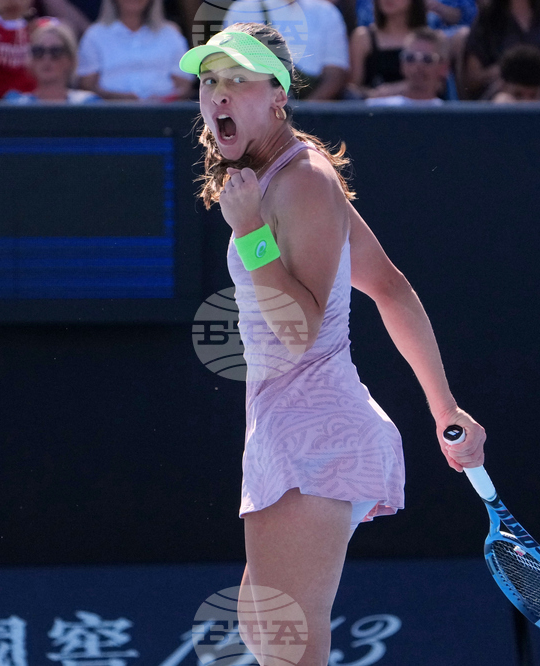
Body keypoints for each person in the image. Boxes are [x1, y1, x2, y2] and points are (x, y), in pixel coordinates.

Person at [178, 22, 486, 666]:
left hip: (317, 436)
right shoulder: (277, 176)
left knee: (286, 643)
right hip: (290, 430)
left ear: (278, 95)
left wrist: (253, 234)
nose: (218, 96)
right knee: (267, 634)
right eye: (210, 82)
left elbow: (300, 332)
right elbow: (391, 289)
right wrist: (445, 410)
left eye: (238, 80)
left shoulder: (305, 184)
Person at [222, 0, 350, 99]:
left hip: (314, 116)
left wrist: (303, 115)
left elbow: (336, 72)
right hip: (257, 110)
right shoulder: (241, 10)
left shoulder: (326, 12)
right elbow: (232, 69)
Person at [461, 0, 540, 99]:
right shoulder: (487, 17)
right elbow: (472, 78)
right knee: (503, 101)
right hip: (502, 100)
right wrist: (499, 73)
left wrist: (530, 74)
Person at [75, 0, 193, 100]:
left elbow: (184, 85)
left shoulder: (170, 34)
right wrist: (120, 99)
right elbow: (87, 85)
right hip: (109, 116)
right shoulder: (94, 35)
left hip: (164, 115)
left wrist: (160, 101)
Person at [347, 0, 428, 98]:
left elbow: (437, 83)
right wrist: (374, 94)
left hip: (420, 110)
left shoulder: (428, 39)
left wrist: (398, 89)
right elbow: (353, 87)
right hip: (375, 110)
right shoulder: (362, 38)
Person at [5, 18, 99, 101]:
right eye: (39, 51)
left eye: (55, 52)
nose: (46, 58)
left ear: (71, 60)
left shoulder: (87, 104)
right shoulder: (16, 104)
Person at [366, 27, 450, 104]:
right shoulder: (378, 108)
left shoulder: (450, 117)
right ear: (402, 64)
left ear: (443, 67)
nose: (418, 65)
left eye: (427, 59)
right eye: (410, 58)